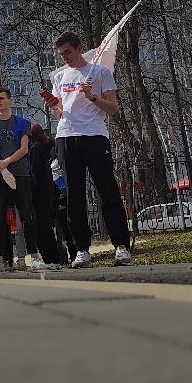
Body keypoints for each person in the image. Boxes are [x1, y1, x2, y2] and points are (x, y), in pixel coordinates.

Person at [51, 31, 132, 268]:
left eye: (68, 52)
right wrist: (54, 106)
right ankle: (82, 250)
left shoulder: (100, 73)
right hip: (66, 136)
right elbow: (59, 113)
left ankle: (121, 246)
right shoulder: (60, 76)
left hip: (94, 135)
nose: (65, 57)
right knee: (73, 195)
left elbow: (113, 107)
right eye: (61, 54)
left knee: (107, 190)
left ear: (79, 48)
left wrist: (92, 96)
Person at [0, 88, 47, 272]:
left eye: (2, 98)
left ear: (10, 100)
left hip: (19, 173)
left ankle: (34, 255)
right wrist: (0, 165)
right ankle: (0, 258)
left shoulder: (22, 123)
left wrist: (7, 162)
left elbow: (24, 148)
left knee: (26, 215)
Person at [28, 124, 62, 268]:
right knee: (48, 225)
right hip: (48, 191)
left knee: (41, 227)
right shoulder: (47, 148)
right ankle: (54, 257)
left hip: (38, 193)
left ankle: (49, 258)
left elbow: (35, 173)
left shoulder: (34, 150)